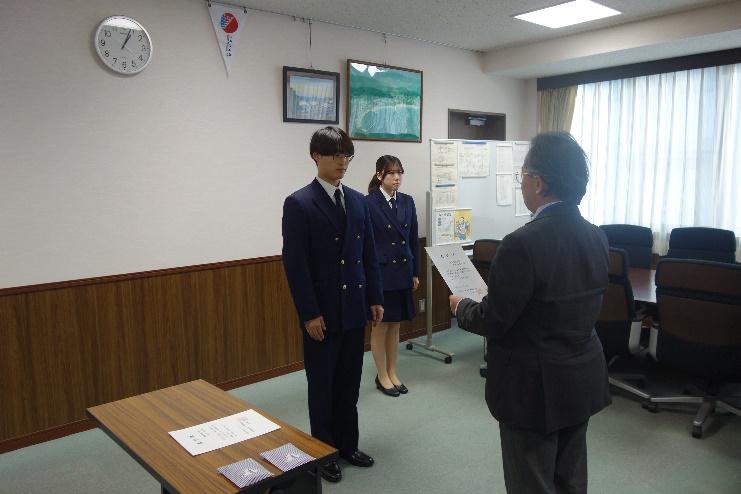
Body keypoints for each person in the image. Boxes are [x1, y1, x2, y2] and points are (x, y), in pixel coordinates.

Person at [449, 132, 611, 494]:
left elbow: (494, 320)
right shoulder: (597, 237)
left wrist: (462, 307)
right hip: (581, 377)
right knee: (571, 479)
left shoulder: (520, 244)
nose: (520, 183)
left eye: (521, 176)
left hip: (533, 388)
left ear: (538, 183)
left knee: (532, 482)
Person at [282, 126, 384, 483]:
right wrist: (309, 313)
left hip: (354, 308)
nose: (343, 162)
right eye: (335, 155)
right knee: (322, 385)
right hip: (322, 313)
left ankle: (348, 444)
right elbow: (296, 265)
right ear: (316, 156)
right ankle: (323, 452)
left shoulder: (357, 200)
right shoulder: (299, 203)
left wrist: (375, 297)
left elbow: (367, 253)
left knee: (349, 382)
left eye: (347, 156)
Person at [365, 155, 420, 397]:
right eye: (391, 173)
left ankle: (392, 371)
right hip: (380, 272)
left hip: (403, 270)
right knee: (380, 325)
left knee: (395, 325)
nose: (397, 178)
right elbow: (365, 244)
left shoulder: (407, 201)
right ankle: (382, 375)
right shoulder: (368, 203)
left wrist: (415, 271)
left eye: (399, 173)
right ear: (379, 175)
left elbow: (413, 239)